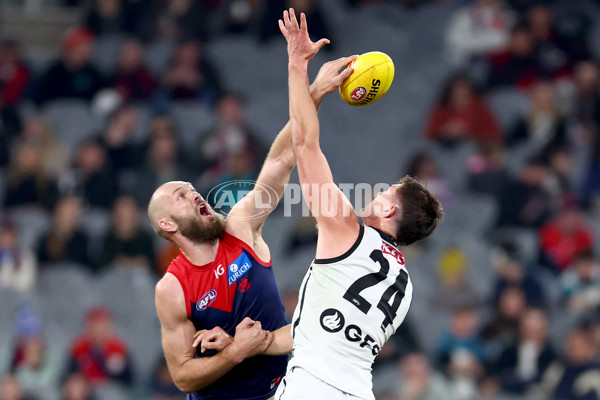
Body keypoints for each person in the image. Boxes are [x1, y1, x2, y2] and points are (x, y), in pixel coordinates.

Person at [149, 47, 355, 399]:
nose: (197, 194)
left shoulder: (240, 226)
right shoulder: (172, 289)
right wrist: (235, 352)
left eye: (193, 189)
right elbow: (182, 377)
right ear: (168, 226)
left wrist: (315, 91)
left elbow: (279, 162)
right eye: (182, 196)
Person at [273, 9, 443, 400]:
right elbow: (320, 330)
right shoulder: (405, 287)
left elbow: (305, 144)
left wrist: (299, 68)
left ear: (388, 212)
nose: (376, 192)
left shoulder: (345, 231)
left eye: (385, 192)